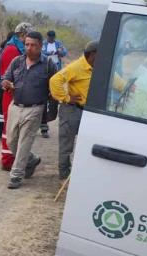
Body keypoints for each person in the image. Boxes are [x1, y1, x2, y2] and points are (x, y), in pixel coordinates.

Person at [1, 31, 56, 189]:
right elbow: (5, 78)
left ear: (40, 46)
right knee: (11, 141)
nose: (29, 48)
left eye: (33, 45)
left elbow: (55, 87)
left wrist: (51, 111)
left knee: (25, 142)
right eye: (27, 44)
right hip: (15, 106)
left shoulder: (48, 65)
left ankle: (16, 176)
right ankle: (31, 160)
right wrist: (5, 83)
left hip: (35, 109)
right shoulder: (17, 61)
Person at [49, 41, 99, 180]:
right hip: (71, 110)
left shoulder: (99, 67)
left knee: (87, 144)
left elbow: (116, 81)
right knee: (67, 144)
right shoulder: (76, 67)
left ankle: (81, 173)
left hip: (89, 112)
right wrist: (65, 97)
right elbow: (55, 80)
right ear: (92, 54)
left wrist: (128, 87)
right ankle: (64, 174)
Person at [0, 22, 34, 171]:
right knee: (10, 126)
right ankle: (7, 160)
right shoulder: (11, 50)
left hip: (17, 93)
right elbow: (8, 76)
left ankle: (13, 157)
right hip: (11, 93)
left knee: (15, 127)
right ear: (22, 35)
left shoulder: (17, 49)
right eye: (28, 36)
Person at [39, 30, 68, 138]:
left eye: (52, 37)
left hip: (56, 72)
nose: (51, 39)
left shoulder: (58, 44)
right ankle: (43, 126)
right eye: (49, 37)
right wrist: (50, 53)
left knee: (52, 97)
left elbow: (64, 52)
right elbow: (41, 53)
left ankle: (48, 120)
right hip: (45, 70)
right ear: (47, 37)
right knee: (43, 98)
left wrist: (59, 52)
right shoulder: (44, 44)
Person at [0, 31, 16, 141]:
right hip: (4, 82)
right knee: (6, 108)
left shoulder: (3, 48)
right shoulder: (11, 49)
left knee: (0, 107)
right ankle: (4, 132)